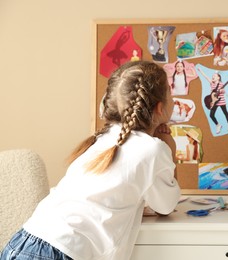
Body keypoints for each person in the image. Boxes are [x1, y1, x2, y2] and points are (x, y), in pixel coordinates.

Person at [0, 61, 181, 260]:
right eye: (170, 93)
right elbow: (165, 206)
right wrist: (169, 148)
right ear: (160, 108)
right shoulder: (153, 149)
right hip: (59, 251)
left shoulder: (103, 139)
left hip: (25, 240)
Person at [198, 67, 228, 134]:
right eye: (212, 76)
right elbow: (206, 77)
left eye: (214, 76)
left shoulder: (221, 84)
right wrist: (201, 71)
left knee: (225, 112)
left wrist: (222, 91)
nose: (213, 77)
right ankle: (218, 125)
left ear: (218, 77)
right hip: (214, 102)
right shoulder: (212, 83)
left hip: (221, 101)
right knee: (211, 115)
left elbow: (224, 91)